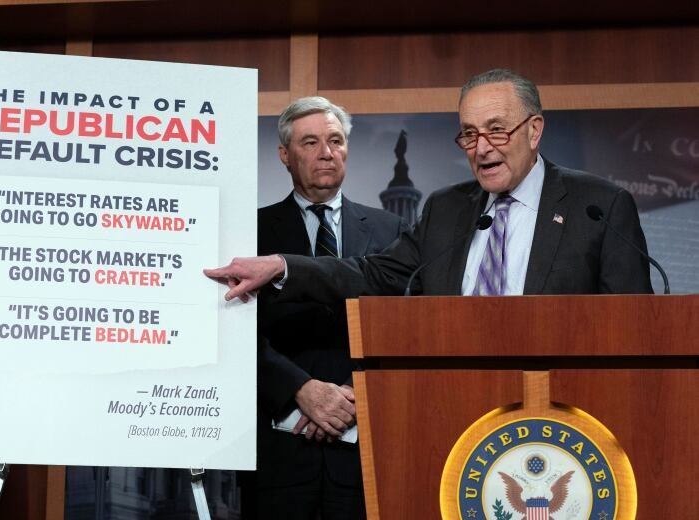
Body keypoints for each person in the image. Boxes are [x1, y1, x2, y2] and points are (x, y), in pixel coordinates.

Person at [205, 69, 654, 301]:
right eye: (470, 134)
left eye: (497, 130)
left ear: (534, 130)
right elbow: (373, 274)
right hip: (450, 407)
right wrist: (284, 267)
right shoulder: (447, 210)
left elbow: (633, 330)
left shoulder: (598, 206)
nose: (481, 148)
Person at [253, 97, 407, 520]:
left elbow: (405, 324)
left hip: (366, 449)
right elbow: (234, 332)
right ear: (285, 155)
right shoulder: (251, 229)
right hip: (280, 451)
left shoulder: (391, 229)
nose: (326, 152)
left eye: (335, 140)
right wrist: (302, 390)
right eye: (310, 142)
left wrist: (350, 398)